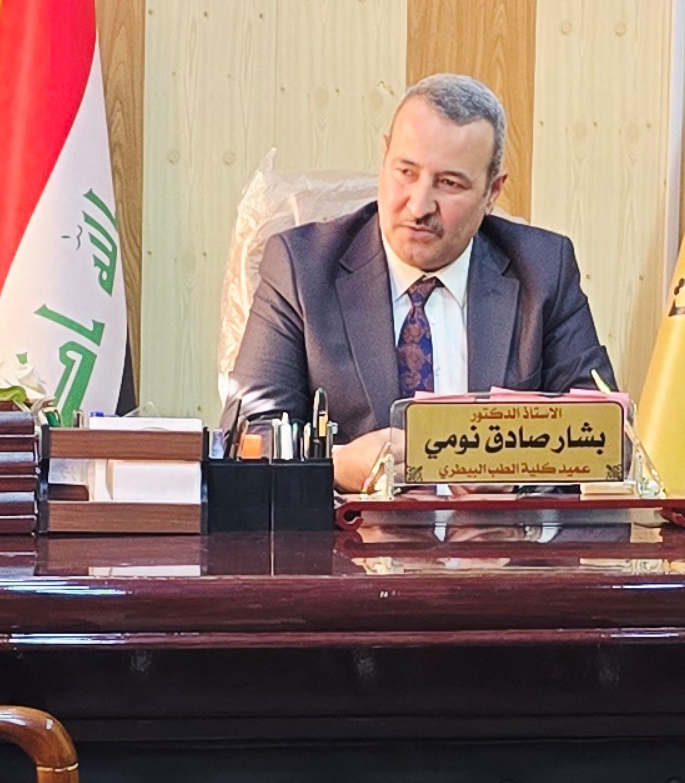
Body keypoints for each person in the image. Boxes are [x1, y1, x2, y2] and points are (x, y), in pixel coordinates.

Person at [224, 73, 619, 493]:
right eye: (406, 172)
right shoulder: (301, 268)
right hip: (352, 532)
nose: (418, 205)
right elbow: (250, 438)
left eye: (449, 183)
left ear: (492, 192)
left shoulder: (543, 270)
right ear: (384, 158)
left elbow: (605, 439)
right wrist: (333, 466)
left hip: (498, 534)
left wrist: (517, 482)